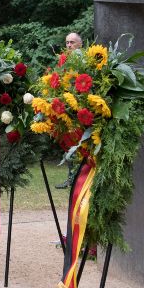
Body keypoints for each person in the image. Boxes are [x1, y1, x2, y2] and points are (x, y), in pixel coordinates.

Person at [55, 32, 84, 189]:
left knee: (80, 143)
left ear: (80, 44)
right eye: (67, 42)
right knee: (69, 143)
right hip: (66, 107)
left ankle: (78, 178)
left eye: (72, 42)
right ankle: (71, 178)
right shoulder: (63, 60)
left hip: (80, 107)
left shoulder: (84, 59)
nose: (69, 45)